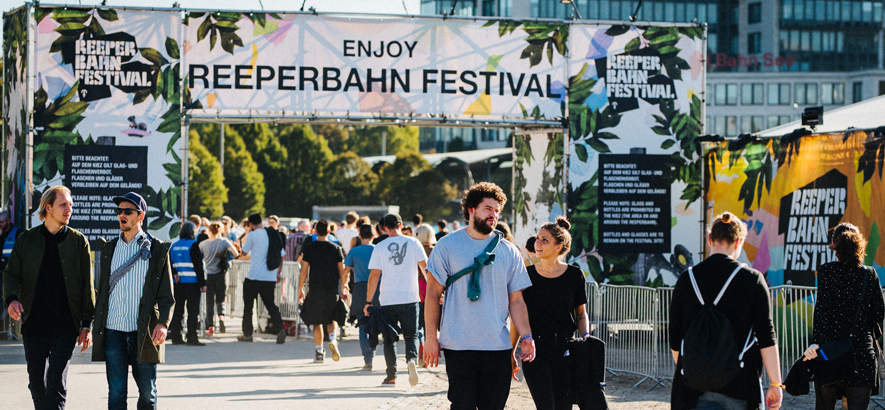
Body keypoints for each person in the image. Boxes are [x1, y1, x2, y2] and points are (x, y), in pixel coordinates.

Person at [424, 182, 536, 409]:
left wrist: (526, 337)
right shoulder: (447, 246)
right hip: (458, 345)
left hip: (497, 346)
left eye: (497, 210)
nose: (493, 215)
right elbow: (433, 295)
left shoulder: (508, 250)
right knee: (462, 405)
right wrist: (430, 338)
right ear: (471, 210)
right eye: (488, 209)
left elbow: (516, 300)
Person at [669, 211, 782, 410]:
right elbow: (766, 335)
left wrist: (695, 366)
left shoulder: (687, 279)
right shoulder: (752, 279)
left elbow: (675, 336)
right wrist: (775, 383)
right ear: (739, 242)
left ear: (710, 239)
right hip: (740, 384)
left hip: (693, 388)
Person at [2, 186, 94, 409]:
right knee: (36, 383)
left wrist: (86, 325)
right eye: (63, 205)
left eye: (71, 205)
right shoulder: (27, 240)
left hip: (65, 326)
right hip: (34, 323)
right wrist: (12, 299)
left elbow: (87, 286)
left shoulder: (79, 242)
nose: (69, 209)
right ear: (48, 207)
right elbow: (11, 274)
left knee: (56, 383)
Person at [92, 192, 174, 410]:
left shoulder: (157, 250)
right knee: (117, 394)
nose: (122, 214)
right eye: (119, 210)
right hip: (113, 332)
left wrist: (163, 323)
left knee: (148, 395)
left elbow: (167, 296)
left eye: (128, 211)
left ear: (141, 216)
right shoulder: (109, 249)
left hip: (144, 332)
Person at [803, 223, 885, 410]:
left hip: (830, 352)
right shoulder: (869, 274)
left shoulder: (826, 271)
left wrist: (818, 343)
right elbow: (879, 313)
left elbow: (822, 311)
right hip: (861, 354)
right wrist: (867, 338)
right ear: (859, 244)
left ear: (834, 245)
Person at [520, 217, 595, 409]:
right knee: (545, 405)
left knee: (564, 406)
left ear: (558, 246)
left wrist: (585, 337)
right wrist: (511, 352)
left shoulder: (574, 275)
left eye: (545, 239)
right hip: (535, 350)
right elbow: (518, 316)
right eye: (537, 238)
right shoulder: (525, 275)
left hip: (565, 349)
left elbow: (580, 314)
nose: (538, 243)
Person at [364, 213, 428, 387]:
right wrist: (433, 292)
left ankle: (391, 376)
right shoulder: (414, 243)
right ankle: (411, 360)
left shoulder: (379, 246)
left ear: (384, 227)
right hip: (410, 297)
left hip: (388, 299)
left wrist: (368, 302)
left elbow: (374, 277)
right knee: (411, 335)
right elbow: (425, 269)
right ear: (400, 224)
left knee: (389, 338)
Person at [298, 220, 348, 363]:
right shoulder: (336, 248)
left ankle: (319, 353)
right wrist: (344, 286)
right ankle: (333, 339)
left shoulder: (309, 248)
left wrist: (301, 289)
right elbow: (342, 271)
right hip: (331, 289)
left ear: (315, 231)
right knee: (331, 319)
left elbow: (304, 271)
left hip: (315, 289)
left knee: (317, 322)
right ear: (328, 231)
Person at [236, 213, 286, 344]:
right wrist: (278, 272)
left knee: (248, 306)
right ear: (261, 222)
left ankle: (247, 334)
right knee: (271, 305)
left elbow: (244, 252)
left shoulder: (253, 234)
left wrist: (245, 237)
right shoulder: (272, 234)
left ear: (251, 224)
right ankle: (281, 329)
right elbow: (282, 256)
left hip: (254, 276)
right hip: (269, 276)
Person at [345, 224, 378, 370]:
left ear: (359, 236)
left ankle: (367, 358)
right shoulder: (377, 250)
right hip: (376, 288)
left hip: (359, 288)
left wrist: (343, 287)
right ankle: (373, 352)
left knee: (362, 325)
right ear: (373, 236)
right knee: (375, 324)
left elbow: (345, 271)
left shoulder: (354, 251)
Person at [167, 222, 207, 346]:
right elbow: (198, 266)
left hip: (178, 284)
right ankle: (192, 338)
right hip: (192, 284)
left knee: (178, 311)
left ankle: (176, 337)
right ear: (192, 232)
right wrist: (203, 283)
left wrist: (174, 273)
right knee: (193, 311)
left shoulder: (174, 246)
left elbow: (169, 264)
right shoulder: (193, 245)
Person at [200, 221, 238, 336]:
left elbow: (198, 258)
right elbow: (236, 253)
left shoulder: (202, 244)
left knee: (210, 301)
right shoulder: (223, 241)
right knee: (221, 298)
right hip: (221, 274)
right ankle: (221, 318)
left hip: (209, 275)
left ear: (209, 230)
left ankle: (210, 327)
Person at [415, 223, 437, 367]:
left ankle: (421, 352)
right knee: (432, 327)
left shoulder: (415, 250)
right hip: (433, 293)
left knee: (418, 328)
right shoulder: (435, 251)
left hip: (417, 293)